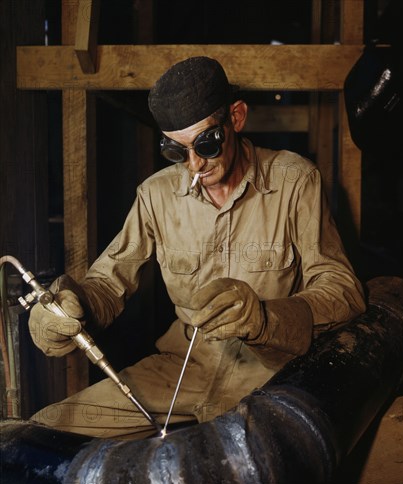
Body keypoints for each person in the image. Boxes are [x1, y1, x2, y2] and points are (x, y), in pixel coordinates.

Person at [28, 56, 366, 439]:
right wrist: (67, 308)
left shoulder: (295, 182)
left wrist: (265, 319)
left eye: (206, 143)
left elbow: (343, 291)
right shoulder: (157, 194)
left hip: (271, 374)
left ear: (236, 118)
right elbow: (107, 284)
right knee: (44, 435)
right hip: (182, 370)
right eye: (176, 151)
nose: (194, 165)